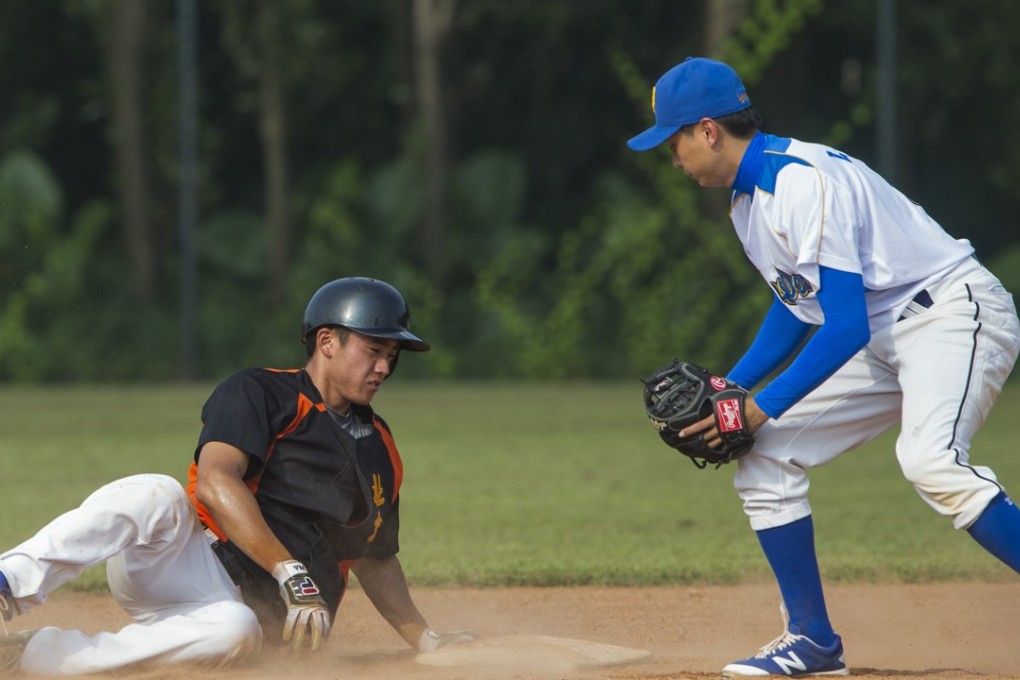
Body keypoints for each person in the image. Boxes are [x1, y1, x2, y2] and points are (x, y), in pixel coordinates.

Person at [627, 57, 1020, 677]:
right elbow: (797, 308)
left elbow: (843, 326)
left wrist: (757, 406)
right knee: (763, 454)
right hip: (886, 332)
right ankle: (812, 641)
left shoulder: (801, 181)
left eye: (673, 141)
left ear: (707, 130)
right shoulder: (746, 203)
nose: (672, 158)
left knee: (930, 459)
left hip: (949, 310)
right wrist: (732, 388)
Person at [0, 276, 474, 675]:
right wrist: (290, 571)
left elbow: (376, 557)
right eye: (374, 350)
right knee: (156, 493)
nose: (384, 367)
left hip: (252, 615)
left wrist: (423, 638)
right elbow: (215, 480)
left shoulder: (382, 450)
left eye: (393, 355)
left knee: (236, 630)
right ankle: (7, 583)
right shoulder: (260, 391)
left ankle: (33, 655)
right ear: (328, 341)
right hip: (185, 559)